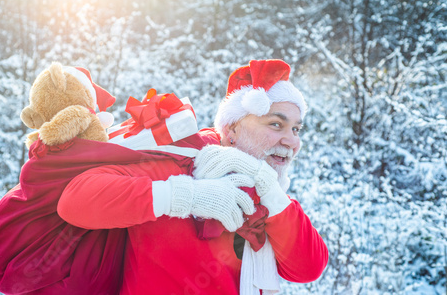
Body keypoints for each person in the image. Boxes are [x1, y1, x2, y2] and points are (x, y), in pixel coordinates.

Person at [57, 59, 328, 294]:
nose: (291, 141)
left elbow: (308, 267)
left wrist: (271, 190)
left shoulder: (267, 188)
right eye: (276, 124)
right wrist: (187, 196)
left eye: (296, 130)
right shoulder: (182, 158)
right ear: (232, 128)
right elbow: (76, 200)